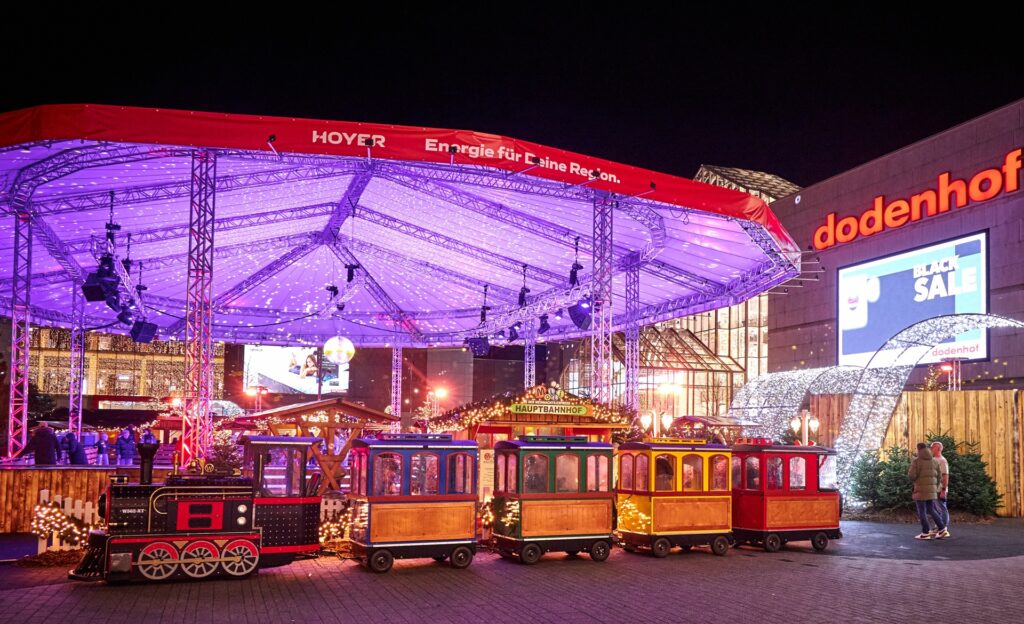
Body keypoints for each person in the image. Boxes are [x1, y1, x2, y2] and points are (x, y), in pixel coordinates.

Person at [908, 442, 946, 540]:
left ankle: (925, 533)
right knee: (931, 509)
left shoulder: (916, 461)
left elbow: (912, 476)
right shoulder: (934, 461)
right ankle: (942, 529)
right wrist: (935, 487)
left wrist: (914, 481)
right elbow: (939, 477)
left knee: (922, 511)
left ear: (918, 449)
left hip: (920, 490)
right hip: (932, 490)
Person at [931, 440, 951, 538]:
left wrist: (943, 490)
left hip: (940, 489)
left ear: (938, 448)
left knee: (942, 508)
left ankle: (944, 528)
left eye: (932, 447)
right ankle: (938, 527)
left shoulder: (942, 461)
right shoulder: (933, 459)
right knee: (936, 508)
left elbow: (945, 476)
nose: (930, 449)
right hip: (933, 489)